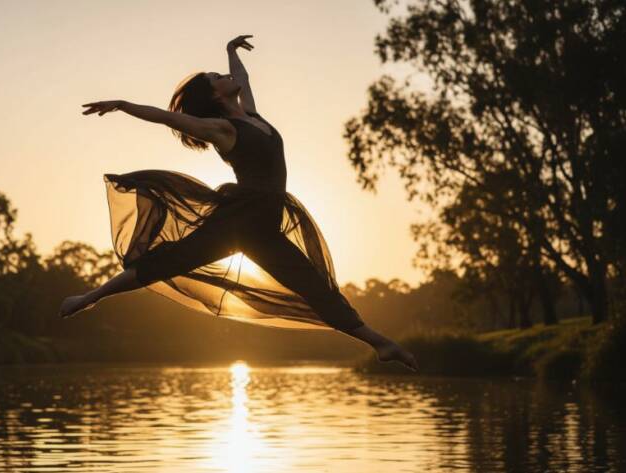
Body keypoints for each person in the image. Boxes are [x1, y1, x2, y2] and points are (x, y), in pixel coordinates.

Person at [60, 35, 418, 372]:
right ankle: (91, 296)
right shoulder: (223, 129)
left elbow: (243, 78)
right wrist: (123, 105)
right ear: (214, 95)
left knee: (315, 287)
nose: (227, 75)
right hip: (240, 221)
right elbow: (169, 117)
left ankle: (380, 345)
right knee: (170, 260)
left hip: (265, 226)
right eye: (218, 76)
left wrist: (231, 50)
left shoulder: (253, 117)